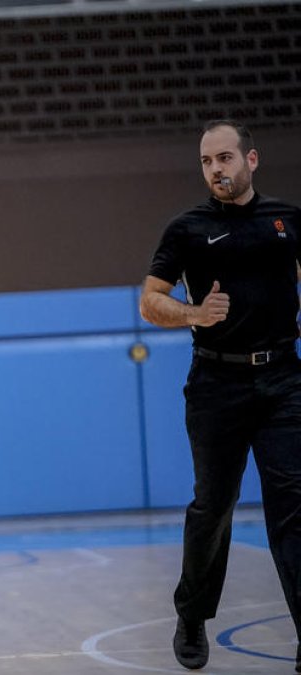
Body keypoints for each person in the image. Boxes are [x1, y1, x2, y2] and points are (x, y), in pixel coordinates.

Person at [140, 119, 301, 671]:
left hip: (284, 381)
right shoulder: (186, 229)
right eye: (208, 162)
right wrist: (193, 314)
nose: (217, 170)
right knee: (213, 505)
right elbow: (150, 300)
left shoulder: (288, 220)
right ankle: (192, 616)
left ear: (250, 160)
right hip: (216, 385)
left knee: (293, 506)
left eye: (226, 158)